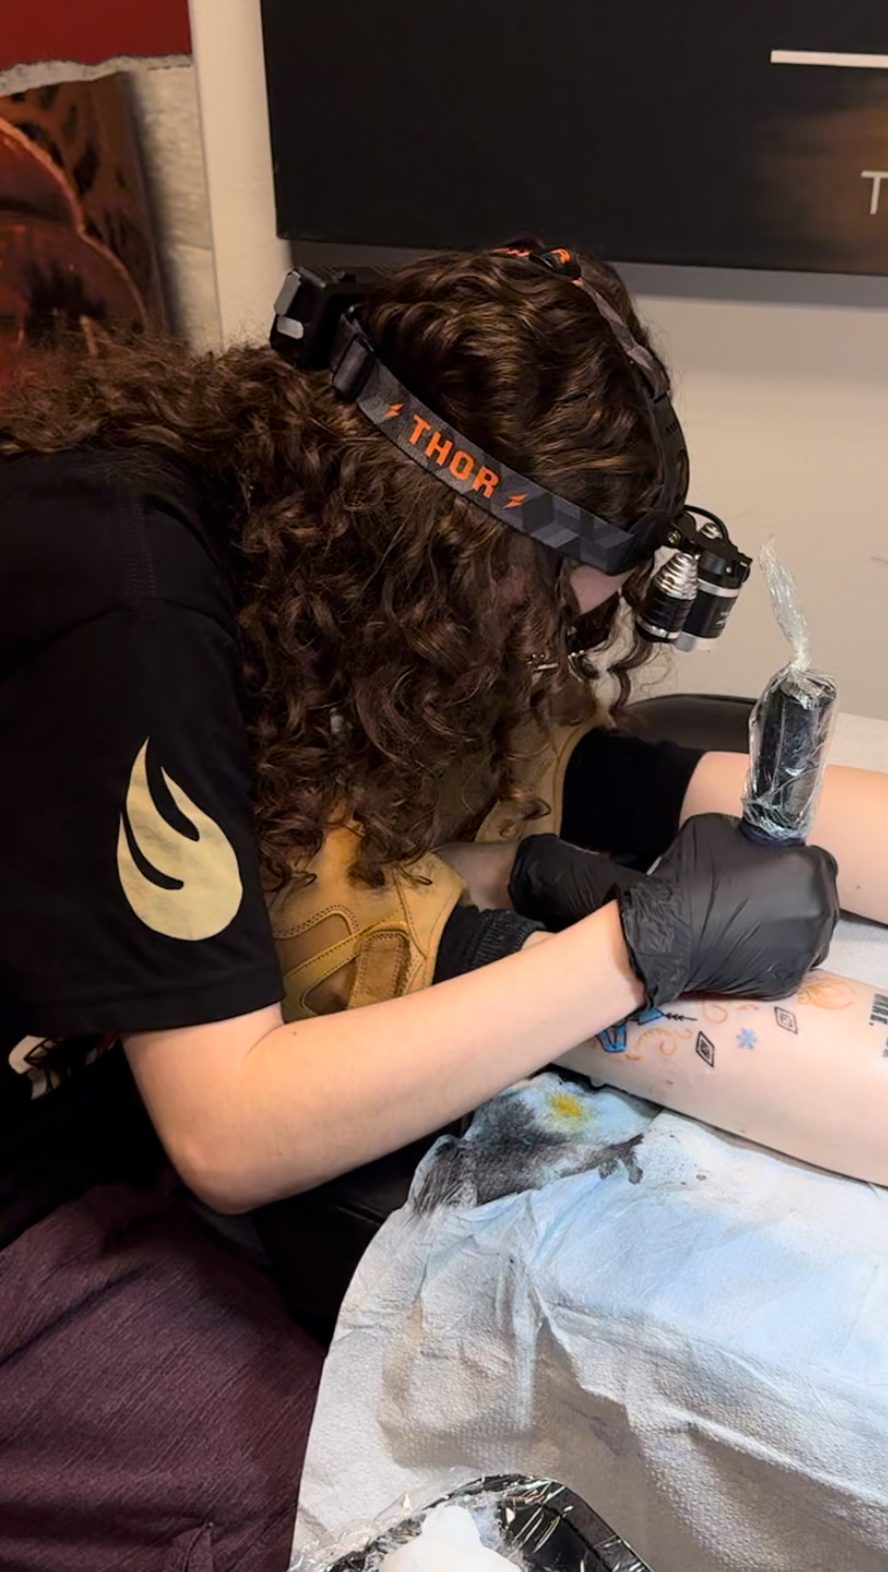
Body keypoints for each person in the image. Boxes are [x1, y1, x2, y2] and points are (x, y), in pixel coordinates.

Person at [0, 243, 836, 1572]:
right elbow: (229, 1124)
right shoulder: (136, 611)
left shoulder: (257, 542)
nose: (537, 664)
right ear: (442, 547)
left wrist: (530, 893)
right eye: (532, 622)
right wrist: (626, 953)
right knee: (368, 1507)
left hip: (81, 1088)